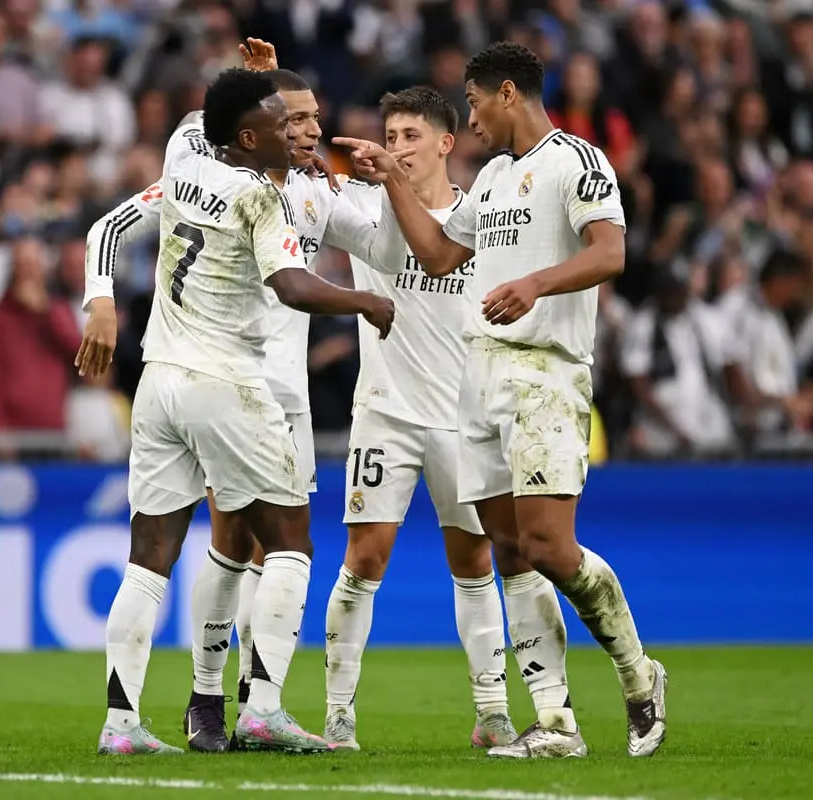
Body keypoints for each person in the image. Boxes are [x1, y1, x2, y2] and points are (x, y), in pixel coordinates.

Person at [335, 42, 667, 759]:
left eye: (477, 100)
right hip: (478, 377)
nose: (473, 116)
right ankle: (556, 725)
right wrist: (393, 175)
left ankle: (638, 672)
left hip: (545, 373)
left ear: (508, 93)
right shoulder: (490, 179)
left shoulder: (575, 161)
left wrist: (536, 284)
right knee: (513, 553)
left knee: (551, 547)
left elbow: (611, 252)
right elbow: (435, 254)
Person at [81, 42, 407, 753]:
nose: (294, 131)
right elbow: (290, 285)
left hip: (159, 380)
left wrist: (99, 302)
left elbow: (109, 223)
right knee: (290, 543)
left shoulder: (186, 171)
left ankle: (120, 723)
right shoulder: (260, 196)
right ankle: (260, 708)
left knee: (150, 557)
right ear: (249, 136)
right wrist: (364, 304)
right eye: (277, 120)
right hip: (228, 383)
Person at [323, 85, 535, 752]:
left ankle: (492, 711)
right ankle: (337, 713)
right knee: (365, 555)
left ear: (447, 143)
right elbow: (292, 168)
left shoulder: (482, 219)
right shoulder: (363, 207)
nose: (397, 148)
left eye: (411, 136)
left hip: (462, 419)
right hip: (385, 412)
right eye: (390, 137)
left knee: (474, 561)